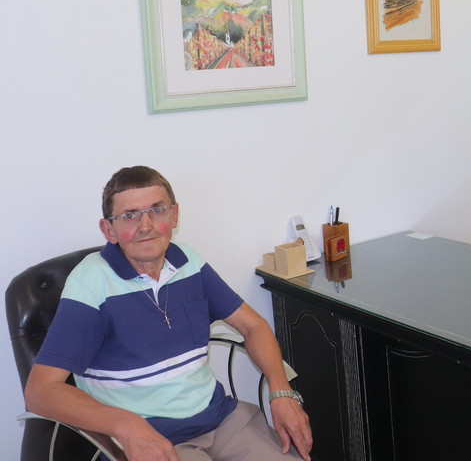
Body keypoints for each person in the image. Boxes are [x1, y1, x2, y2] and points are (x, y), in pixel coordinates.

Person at [24, 166, 313, 461]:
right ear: (108, 230)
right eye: (129, 215)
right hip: (152, 440)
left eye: (157, 210)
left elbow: (254, 326)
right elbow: (40, 391)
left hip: (223, 420)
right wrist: (127, 425)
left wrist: (281, 392)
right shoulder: (91, 282)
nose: (146, 225)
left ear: (174, 215)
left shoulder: (188, 261)